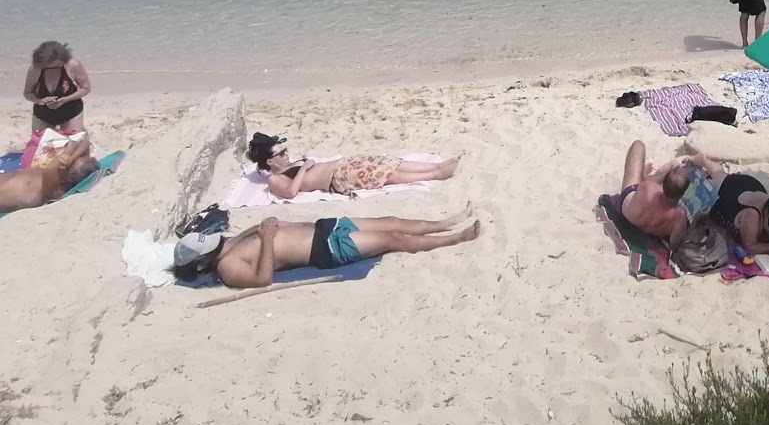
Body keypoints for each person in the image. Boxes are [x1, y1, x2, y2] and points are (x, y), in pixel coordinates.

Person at [173, 211, 480, 289]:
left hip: (324, 227)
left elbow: (273, 227)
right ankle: (456, 238)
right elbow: (263, 278)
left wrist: (269, 225)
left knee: (391, 221)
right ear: (202, 264)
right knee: (395, 238)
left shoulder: (227, 242)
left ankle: (444, 222)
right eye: (206, 246)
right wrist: (266, 238)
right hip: (326, 248)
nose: (212, 240)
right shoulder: (227, 268)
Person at [247, 133, 460, 197]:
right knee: (387, 176)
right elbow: (291, 192)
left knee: (388, 162)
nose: (286, 154)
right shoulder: (275, 179)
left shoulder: (286, 167)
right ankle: (435, 174)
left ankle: (435, 168)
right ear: (270, 162)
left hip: (344, 165)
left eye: (285, 151)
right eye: (281, 154)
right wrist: (304, 167)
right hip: (338, 179)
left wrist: (304, 163)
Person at [618, 141, 725, 248]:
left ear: (663, 183)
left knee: (638, 145)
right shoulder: (679, 215)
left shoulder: (649, 188)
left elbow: (640, 186)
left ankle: (644, 175)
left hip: (628, 212)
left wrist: (662, 174)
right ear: (683, 193)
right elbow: (675, 244)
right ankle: (646, 176)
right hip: (651, 227)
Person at [710, 172, 769, 262]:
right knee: (716, 178)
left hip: (750, 185)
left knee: (719, 173)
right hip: (729, 189)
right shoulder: (752, 216)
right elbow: (749, 246)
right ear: (766, 212)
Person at [0, 137, 97, 214]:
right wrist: (73, 157)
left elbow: (73, 144)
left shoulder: (53, 186)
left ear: (66, 180)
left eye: (71, 164)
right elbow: (84, 143)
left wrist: (68, 153)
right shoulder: (57, 177)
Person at [24, 40, 91, 135]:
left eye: (57, 66)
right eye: (48, 66)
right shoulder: (35, 69)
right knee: (42, 143)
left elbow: (86, 88)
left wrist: (65, 99)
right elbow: (27, 93)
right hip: (43, 112)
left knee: (73, 141)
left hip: (70, 110)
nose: (53, 69)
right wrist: (39, 101)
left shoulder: (72, 65)